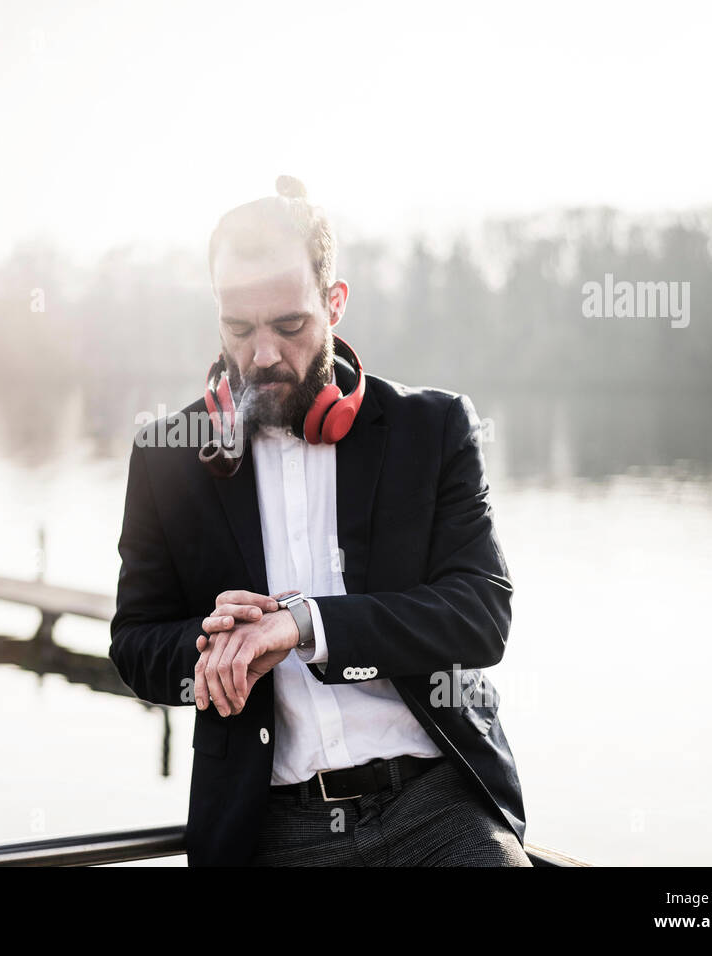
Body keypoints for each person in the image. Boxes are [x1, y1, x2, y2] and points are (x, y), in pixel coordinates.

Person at [108, 175, 531, 866]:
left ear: (334, 303)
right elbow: (134, 646)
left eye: (290, 326)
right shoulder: (166, 458)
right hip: (270, 826)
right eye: (239, 329)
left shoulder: (434, 429)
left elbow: (481, 615)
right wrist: (214, 643)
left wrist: (305, 625)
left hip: (438, 806)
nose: (263, 355)